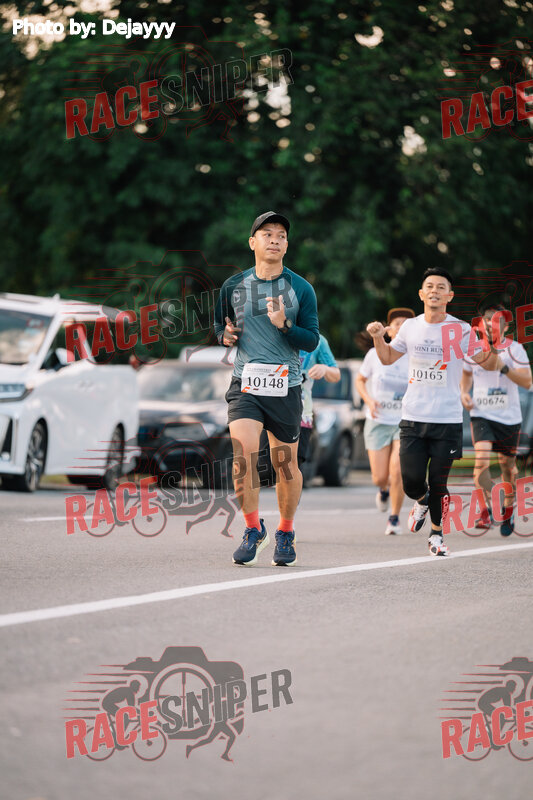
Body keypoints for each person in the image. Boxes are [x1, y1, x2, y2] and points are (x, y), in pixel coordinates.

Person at [366, 268, 502, 557]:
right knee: (411, 480)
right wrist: (378, 338)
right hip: (413, 417)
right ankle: (421, 499)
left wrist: (488, 343)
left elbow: (487, 362)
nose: (435, 291)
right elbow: (387, 358)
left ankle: (437, 535)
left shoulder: (460, 330)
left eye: (441, 287)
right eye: (429, 286)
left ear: (449, 296)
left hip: (447, 419)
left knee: (440, 482)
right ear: (421, 293)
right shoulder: (410, 327)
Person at [214, 211, 319, 567]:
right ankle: (252, 528)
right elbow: (219, 326)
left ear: (287, 246)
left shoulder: (301, 288)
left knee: (284, 464)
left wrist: (285, 324)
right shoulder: (233, 285)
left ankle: (285, 531)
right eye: (267, 233)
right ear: (252, 242)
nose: (275, 239)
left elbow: (311, 339)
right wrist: (225, 336)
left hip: (285, 386)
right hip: (246, 384)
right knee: (242, 456)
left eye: (281, 235)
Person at [460, 304, 532, 534]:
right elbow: (466, 375)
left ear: (506, 326)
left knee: (507, 467)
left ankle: (508, 509)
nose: (492, 324)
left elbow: (527, 382)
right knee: (481, 461)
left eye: (497, 321)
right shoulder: (472, 350)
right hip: (481, 414)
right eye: (488, 320)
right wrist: (464, 393)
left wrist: (504, 368)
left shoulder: (515, 350)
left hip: (508, 417)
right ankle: (485, 511)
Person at [356, 308, 415, 535]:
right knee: (380, 477)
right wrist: (368, 400)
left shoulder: (416, 356)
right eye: (397, 323)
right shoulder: (375, 354)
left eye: (406, 324)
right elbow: (360, 380)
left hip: (404, 422)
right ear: (388, 330)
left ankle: (394, 518)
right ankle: (383, 490)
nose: (401, 327)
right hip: (378, 420)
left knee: (397, 471)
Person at [299, 334, 340, 477]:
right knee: (265, 469)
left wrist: (325, 369)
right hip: (269, 409)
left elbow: (336, 374)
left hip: (302, 413)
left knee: (293, 467)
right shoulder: (271, 332)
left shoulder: (318, 340)